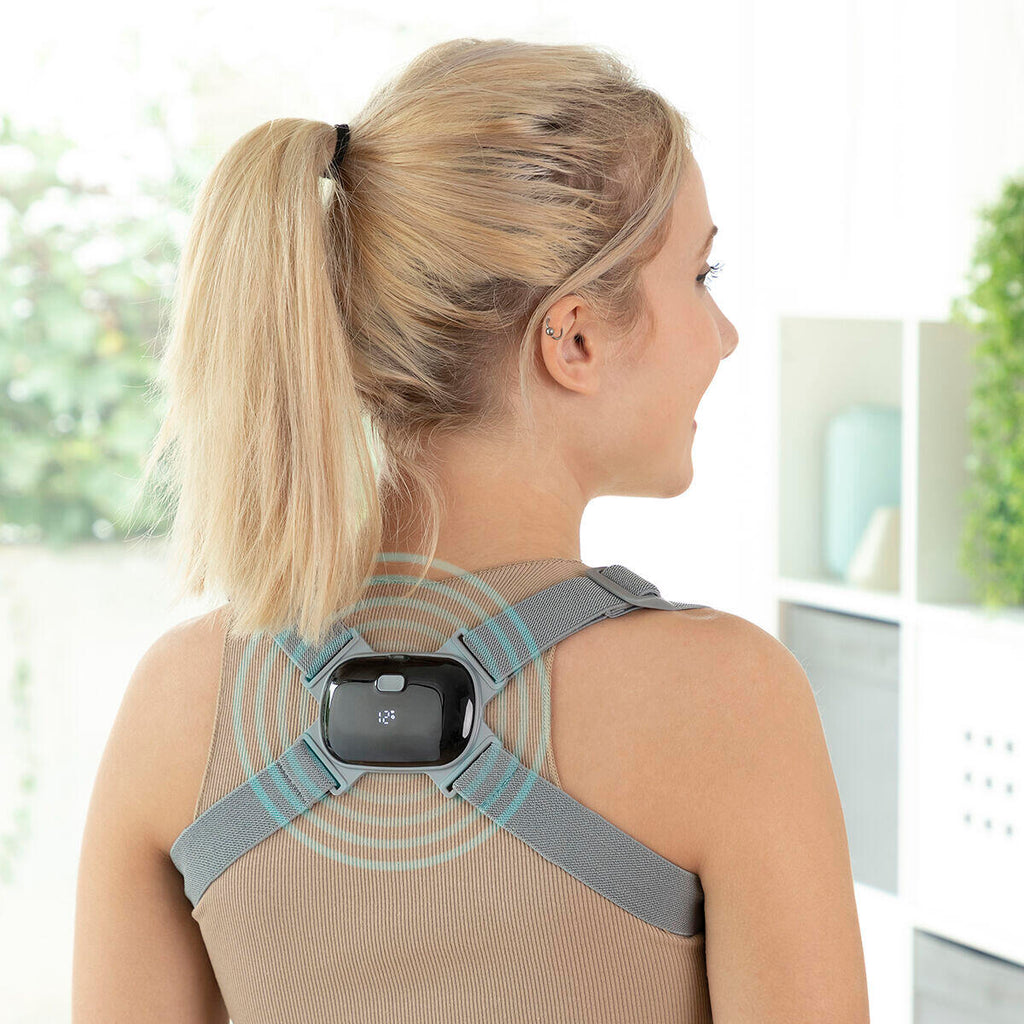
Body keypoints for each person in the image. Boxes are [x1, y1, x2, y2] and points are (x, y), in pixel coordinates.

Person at [72, 37, 870, 1023]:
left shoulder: (178, 698)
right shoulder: (726, 698)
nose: (726, 336)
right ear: (574, 337)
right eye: (702, 277)